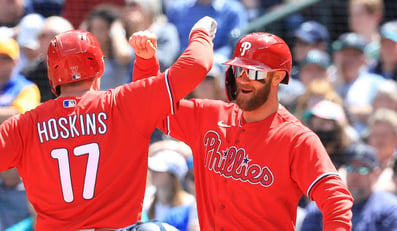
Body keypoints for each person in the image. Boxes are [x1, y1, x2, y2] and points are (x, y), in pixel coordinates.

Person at [0, 16, 217, 230]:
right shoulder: (122, 104)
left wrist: (146, 62)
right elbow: (197, 64)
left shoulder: (23, 125)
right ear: (98, 65)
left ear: (52, 74)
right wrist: (201, 31)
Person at [135, 32, 354, 230]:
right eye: (240, 69)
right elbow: (151, 104)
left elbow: (336, 199)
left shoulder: (296, 139)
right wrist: (146, 62)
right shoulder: (208, 116)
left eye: (255, 73)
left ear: (277, 77)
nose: (243, 78)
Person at [302, 142, 397, 230]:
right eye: (351, 168)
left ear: (375, 174)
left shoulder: (391, 208)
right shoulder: (321, 207)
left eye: (363, 169)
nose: (355, 175)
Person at [0, 37, 40, 123]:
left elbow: (22, 115)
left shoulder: (27, 88)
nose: (0, 62)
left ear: (16, 62)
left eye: (5, 58)